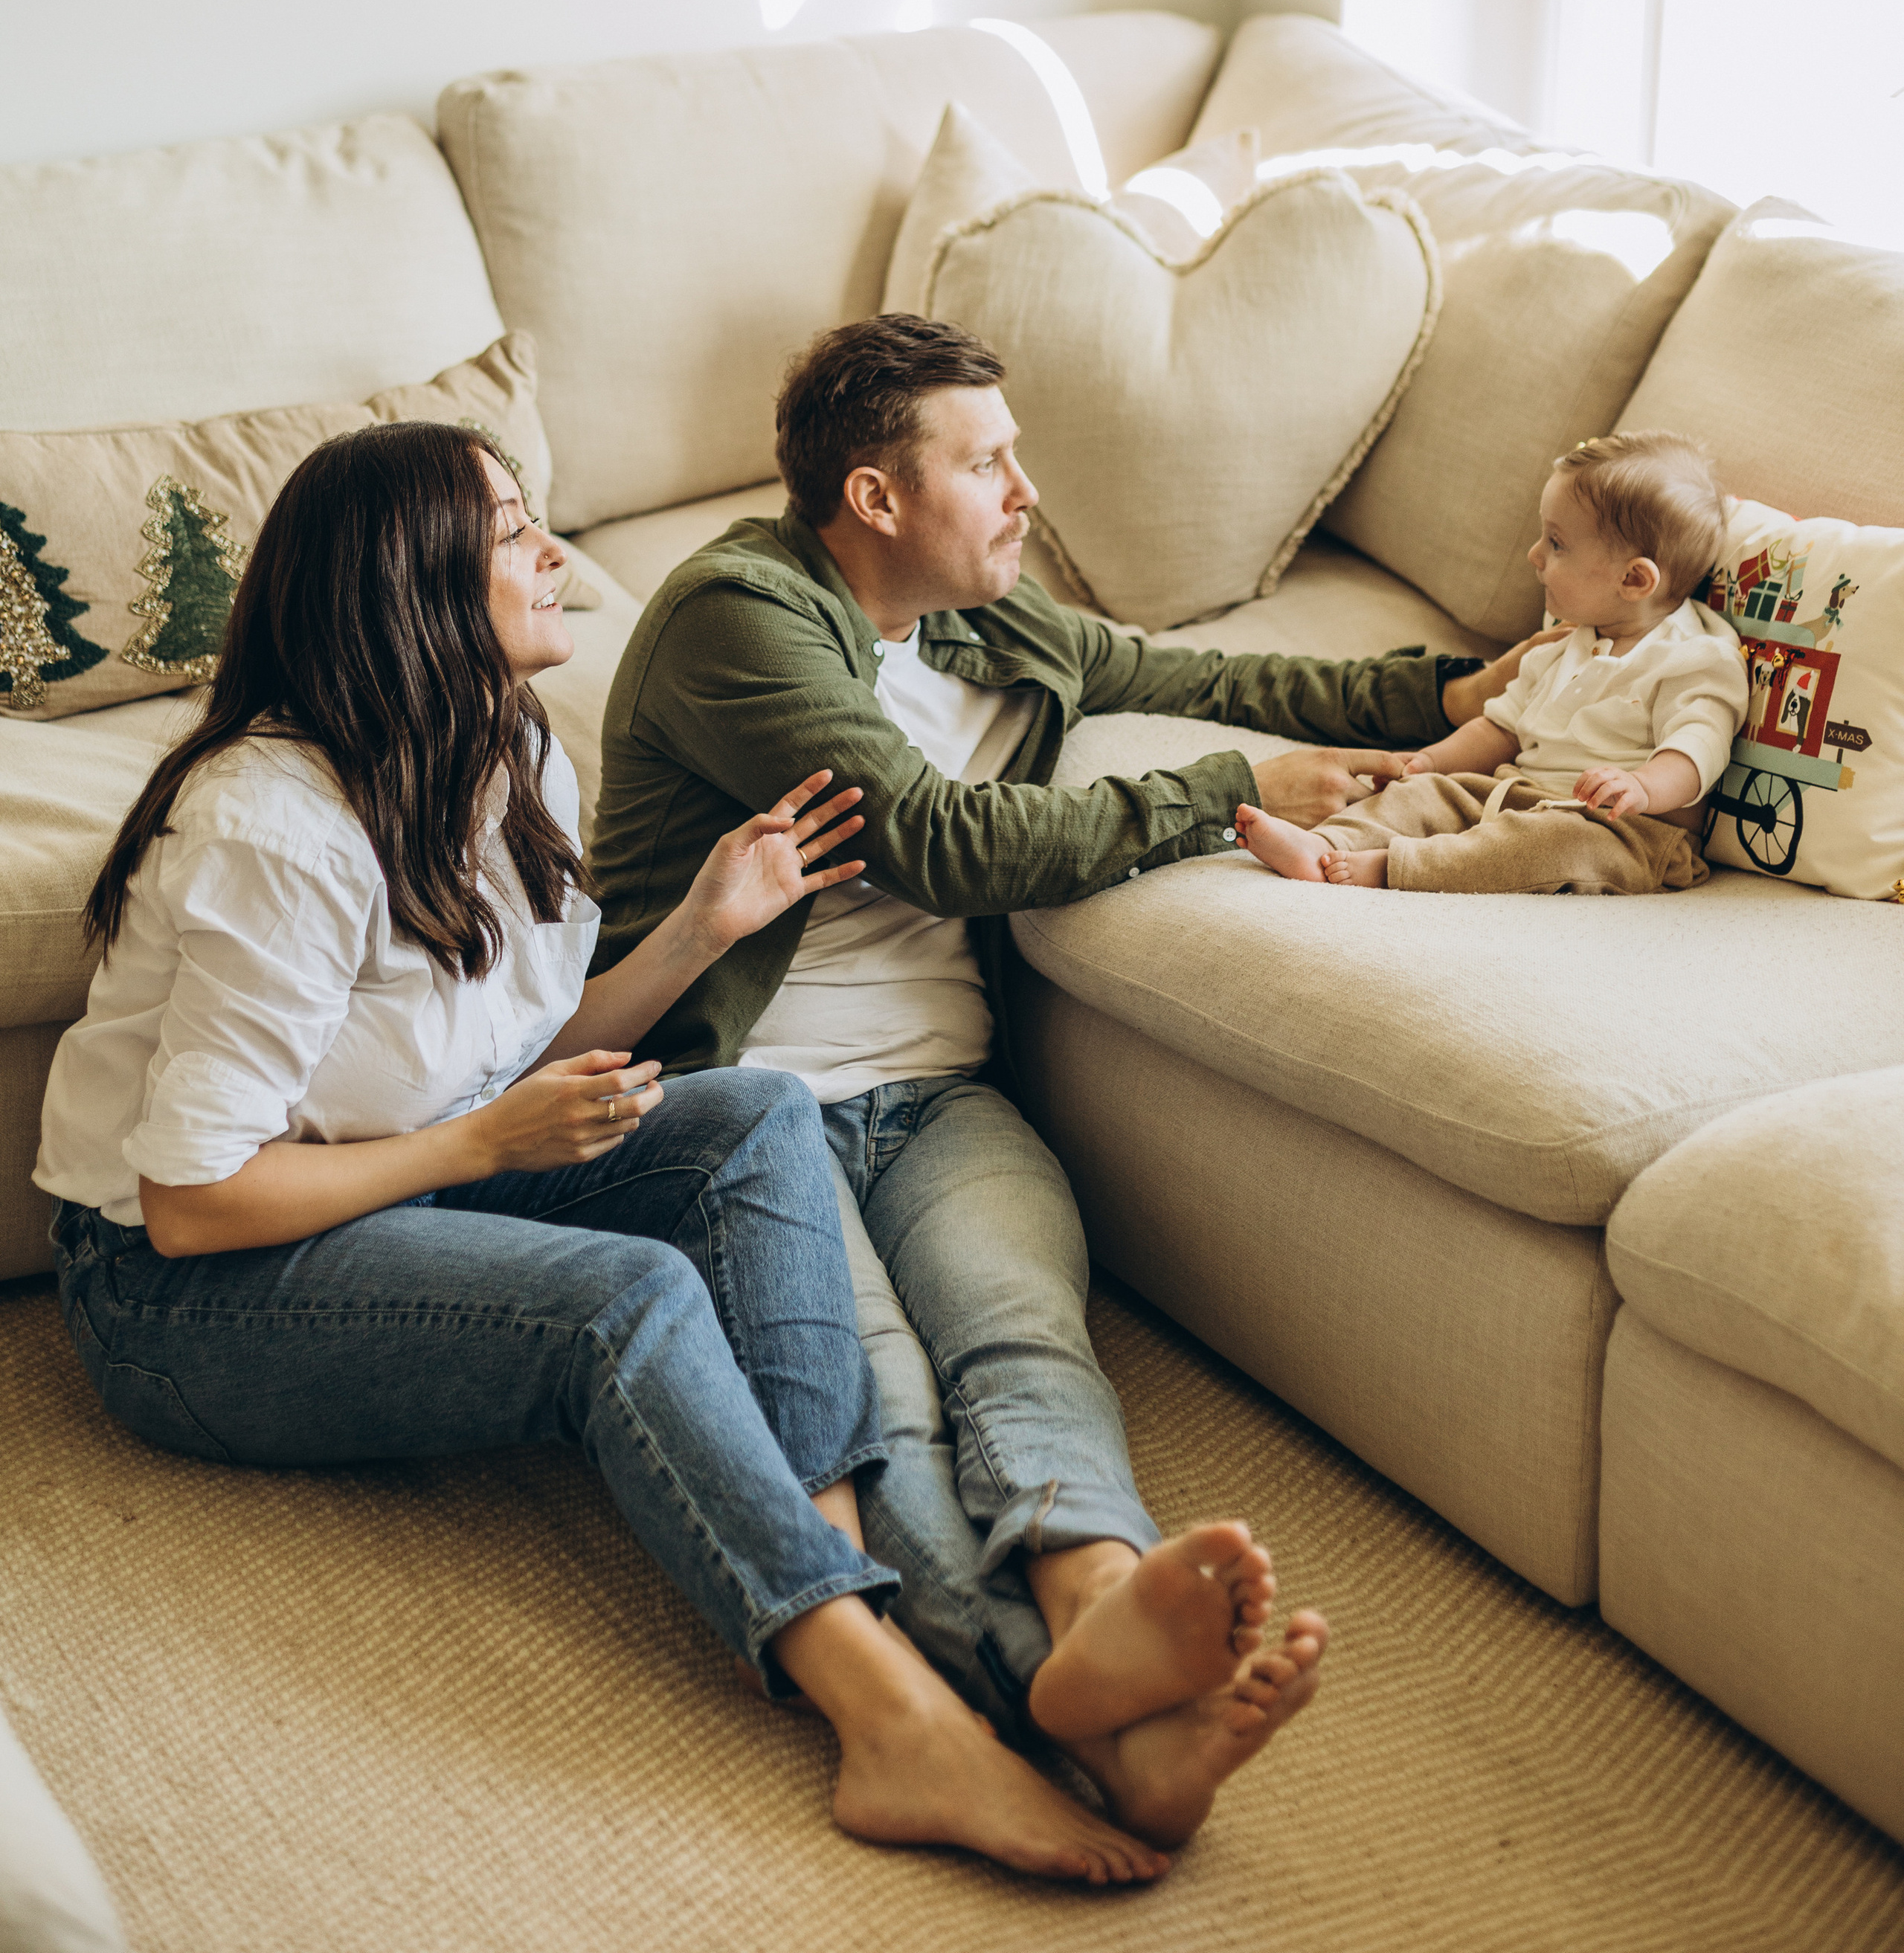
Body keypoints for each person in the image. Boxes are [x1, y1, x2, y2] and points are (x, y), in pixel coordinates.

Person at [33, 422, 1176, 1889]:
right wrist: (477, 1147)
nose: (557, 558)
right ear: (414, 586)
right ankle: (888, 1713)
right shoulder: (268, 833)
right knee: (621, 1300)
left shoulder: (501, 749)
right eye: (515, 536)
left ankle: (850, 1580)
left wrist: (704, 927)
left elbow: (511, 1044)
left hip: (390, 1165)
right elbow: (195, 1206)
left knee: (753, 1111)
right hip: (177, 1294)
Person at [587, 315, 1551, 1844]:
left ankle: (1099, 1597)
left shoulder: (985, 623)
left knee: (1023, 1339)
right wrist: (1217, 794)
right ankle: (1069, 1709)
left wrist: (1451, 696)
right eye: (983, 462)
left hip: (939, 1094)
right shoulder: (738, 616)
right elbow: (939, 844)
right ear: (874, 499)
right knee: (881, 1398)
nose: (1024, 489)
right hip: (747, 1114)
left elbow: (1200, 674)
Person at [1238, 431, 1748, 892]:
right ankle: (1327, 844)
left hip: (1625, 832)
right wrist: (1429, 762)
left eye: (1556, 543)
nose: (1534, 555)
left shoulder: (1696, 658)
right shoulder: (1565, 645)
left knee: (1544, 845)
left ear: (1635, 581)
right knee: (1427, 795)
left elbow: (1696, 747)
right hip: (1508, 791)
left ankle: (1395, 868)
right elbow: (1501, 727)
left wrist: (1642, 785)